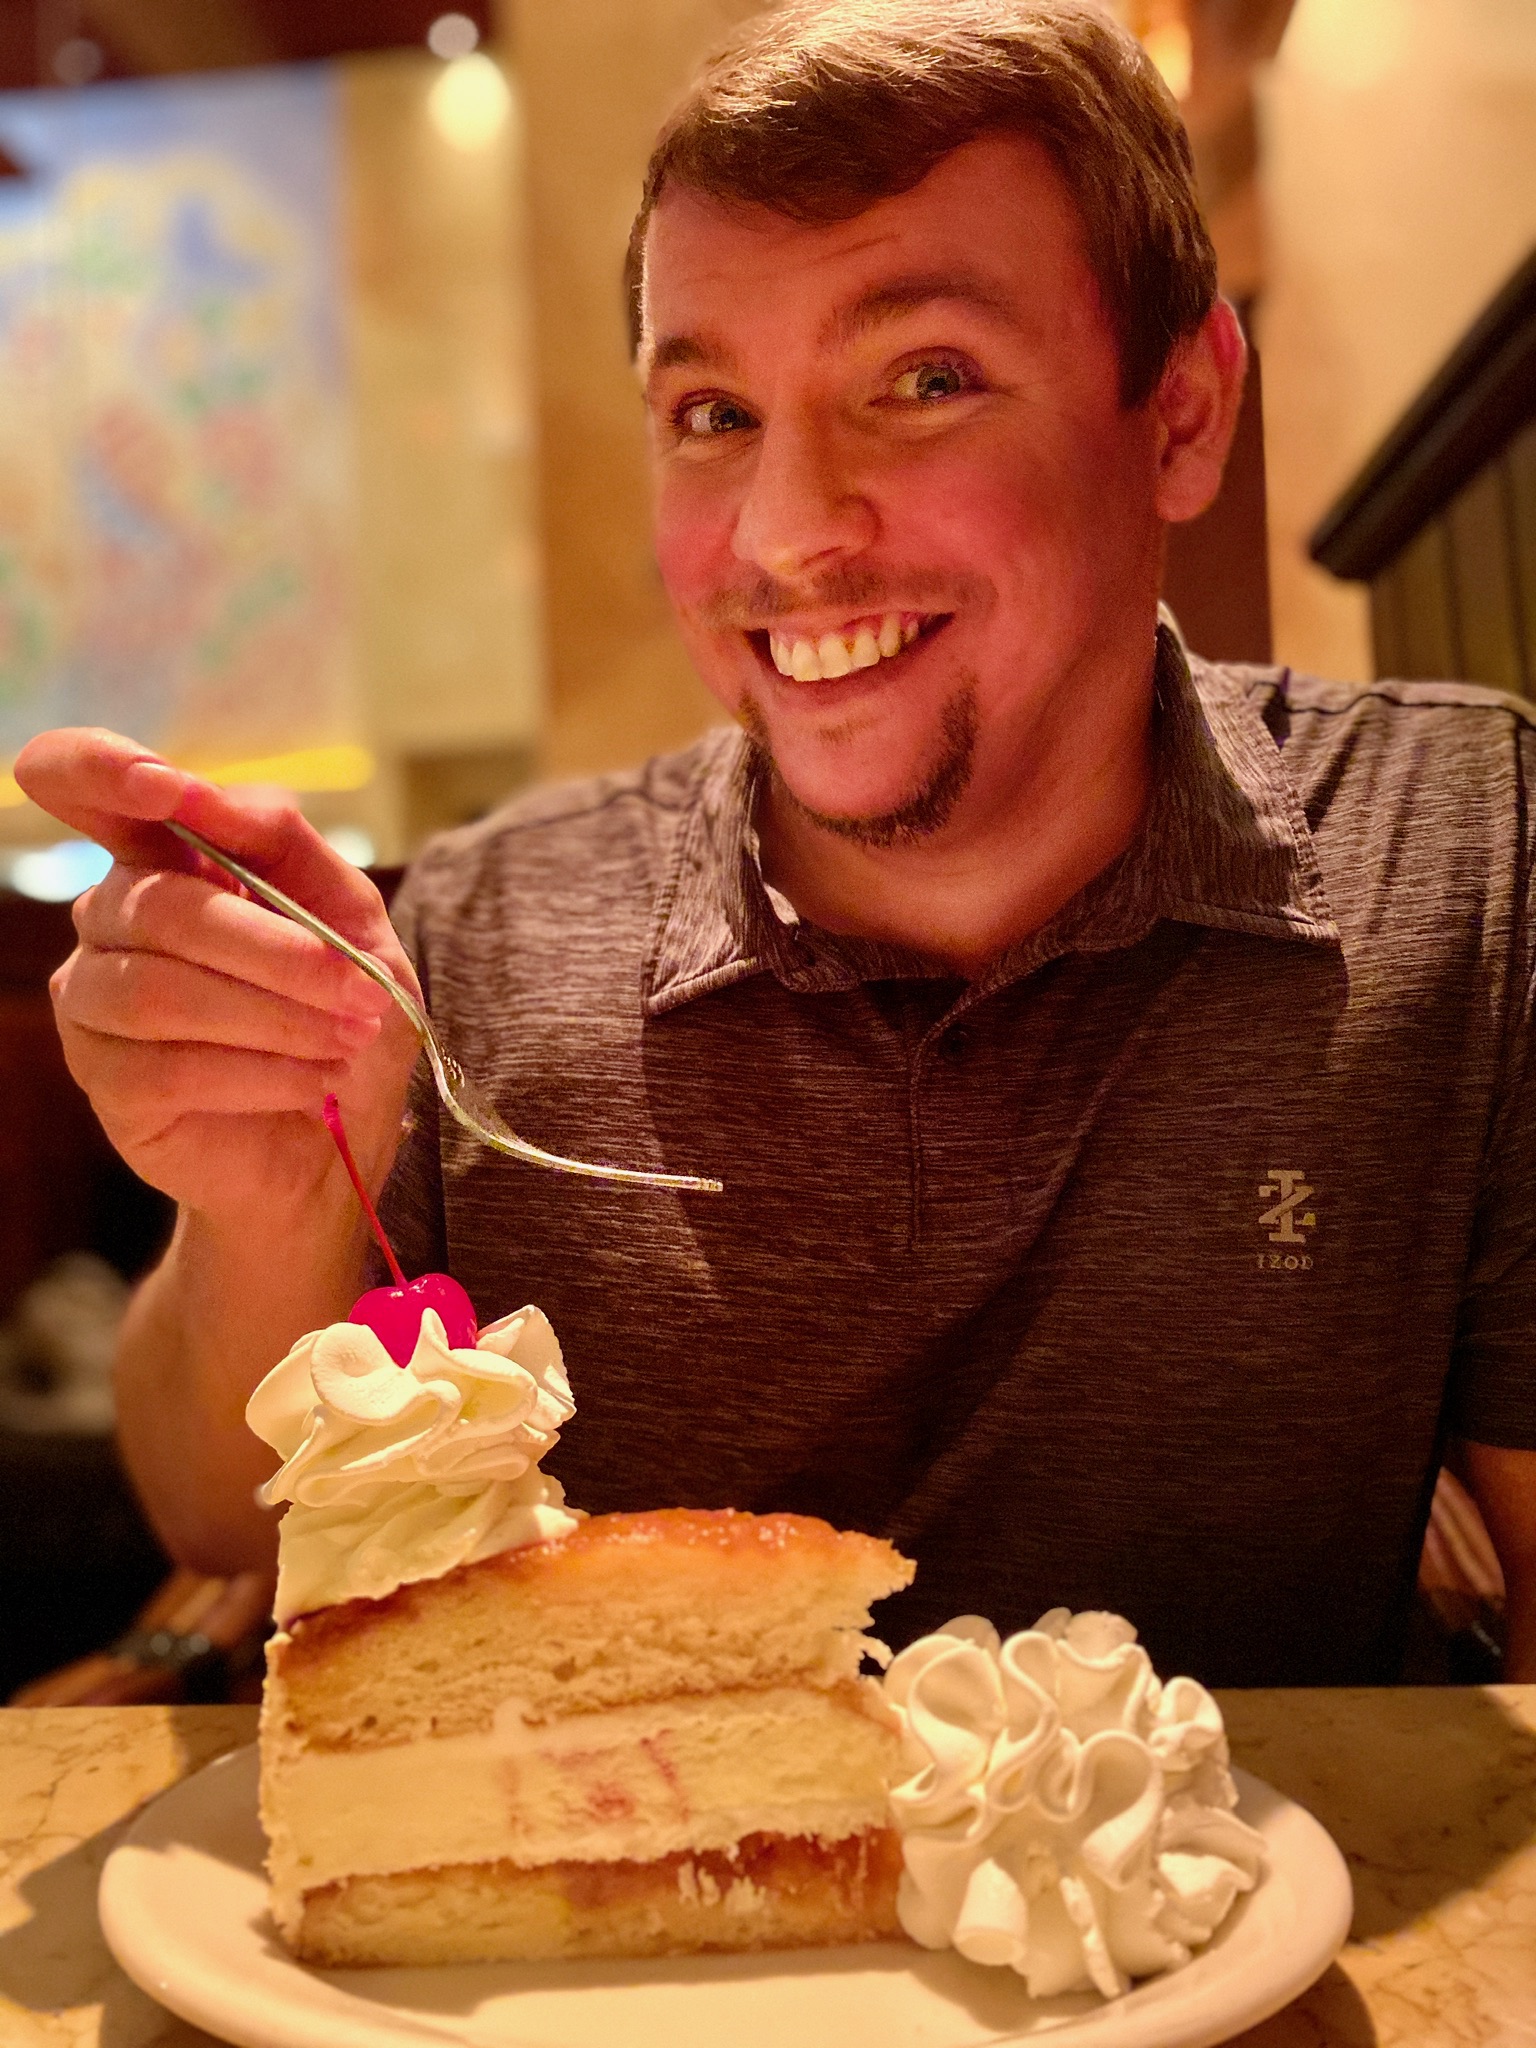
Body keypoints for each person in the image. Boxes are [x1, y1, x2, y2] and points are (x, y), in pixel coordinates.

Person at [17, 0, 1536, 1687]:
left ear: (1178, 413)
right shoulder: (483, 930)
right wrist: (259, 1212)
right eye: (713, 415)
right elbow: (225, 1526)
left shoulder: (1466, 859)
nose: (788, 532)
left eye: (924, 380)